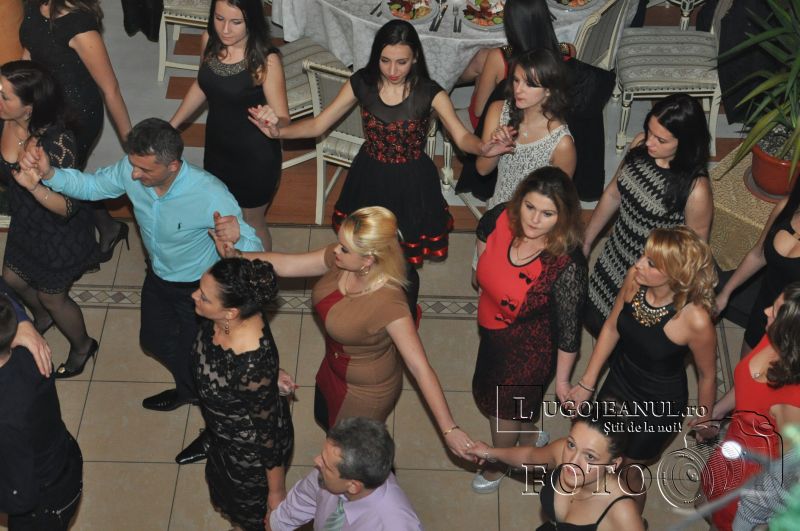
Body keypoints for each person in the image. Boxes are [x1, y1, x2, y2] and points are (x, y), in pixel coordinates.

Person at [18, 118, 263, 423]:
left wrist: (238, 238)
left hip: (198, 289)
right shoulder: (130, 169)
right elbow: (92, 187)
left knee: (200, 354)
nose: (133, 175)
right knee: (153, 340)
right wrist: (50, 174)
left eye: (144, 170)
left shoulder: (210, 194)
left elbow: (256, 250)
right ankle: (190, 388)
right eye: (133, 165)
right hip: (158, 276)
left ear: (172, 166)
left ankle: (209, 406)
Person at [213, 206, 475, 460]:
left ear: (368, 259)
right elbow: (288, 264)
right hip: (333, 366)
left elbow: (420, 368)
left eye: (344, 248)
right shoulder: (343, 260)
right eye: (339, 243)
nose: (336, 250)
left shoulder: (389, 302)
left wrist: (449, 429)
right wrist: (238, 257)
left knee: (350, 451)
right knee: (325, 416)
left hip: (366, 391)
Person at [249, 19, 513, 265]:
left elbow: (462, 137)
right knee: (364, 251)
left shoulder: (430, 93)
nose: (392, 70)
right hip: (370, 174)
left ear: (415, 58)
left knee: (401, 256)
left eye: (402, 62)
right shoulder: (362, 83)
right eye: (385, 61)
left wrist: (483, 147)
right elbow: (319, 124)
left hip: (413, 181)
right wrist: (279, 132)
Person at [569, 226, 718, 511]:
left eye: (651, 263)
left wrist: (704, 417)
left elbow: (707, 374)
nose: (638, 264)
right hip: (620, 380)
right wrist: (587, 383)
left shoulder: (695, 319)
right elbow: (612, 327)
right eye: (643, 255)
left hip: (658, 404)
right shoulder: (634, 279)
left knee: (628, 470)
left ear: (675, 274)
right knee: (603, 451)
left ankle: (633, 522)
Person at [470, 166, 586, 493]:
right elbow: (483, 234)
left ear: (563, 217)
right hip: (494, 334)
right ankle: (531, 434)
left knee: (502, 411)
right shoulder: (500, 217)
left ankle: (497, 464)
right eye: (529, 207)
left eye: (547, 214)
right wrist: (482, 278)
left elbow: (569, 333)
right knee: (494, 395)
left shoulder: (567, 264)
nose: (534, 220)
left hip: (530, 351)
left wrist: (562, 382)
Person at [582, 93, 713, 336]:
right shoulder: (640, 145)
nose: (650, 142)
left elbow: (694, 254)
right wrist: (587, 240)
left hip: (649, 278)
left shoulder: (696, 189)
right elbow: (613, 194)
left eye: (661, 139)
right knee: (596, 319)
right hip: (614, 257)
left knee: (626, 337)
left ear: (685, 142)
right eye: (649, 131)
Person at [1, 60, 100, 379]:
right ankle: (41, 317)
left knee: (52, 296)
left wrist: (35, 186)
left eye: (4, 95)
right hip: (25, 223)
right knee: (13, 279)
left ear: (28, 108)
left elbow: (69, 207)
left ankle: (83, 345)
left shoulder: (57, 143)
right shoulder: (3, 120)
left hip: (58, 231)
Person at [19, 0, 133, 261]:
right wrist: (19, 97)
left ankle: (72, 250)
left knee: (62, 181)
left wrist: (131, 143)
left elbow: (110, 89)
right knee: (63, 179)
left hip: (77, 117)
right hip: (46, 107)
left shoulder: (78, 24)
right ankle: (108, 226)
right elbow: (29, 54)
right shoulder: (33, 5)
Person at [170, 0, 287, 251]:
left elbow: (284, 117)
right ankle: (229, 267)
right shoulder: (209, 41)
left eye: (236, 22)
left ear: (251, 21)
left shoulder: (265, 60)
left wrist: (274, 119)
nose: (225, 30)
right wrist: (173, 124)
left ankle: (262, 272)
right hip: (217, 148)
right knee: (222, 216)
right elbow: (202, 84)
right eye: (219, 18)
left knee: (252, 223)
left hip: (255, 159)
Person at [188, 258, 293, 530]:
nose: (194, 296)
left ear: (231, 312)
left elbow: (269, 438)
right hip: (221, 437)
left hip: (247, 456)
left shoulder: (251, 363)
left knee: (247, 519)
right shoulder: (232, 313)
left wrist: (276, 493)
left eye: (204, 297)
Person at [701, 283, 800, 531]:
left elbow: (785, 475)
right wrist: (718, 412)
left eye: (774, 312)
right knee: (704, 503)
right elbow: (747, 385)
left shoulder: (793, 401)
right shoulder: (773, 338)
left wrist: (756, 519)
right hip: (731, 447)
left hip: (750, 479)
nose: (766, 311)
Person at [465, 402, 645, 531]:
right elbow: (530, 456)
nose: (572, 461)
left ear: (613, 464)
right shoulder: (561, 450)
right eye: (572, 445)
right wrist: (489, 452)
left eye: (590, 456)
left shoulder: (623, 513)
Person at [0, 294, 84, 531]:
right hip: (62, 459)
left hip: (44, 503)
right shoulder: (29, 351)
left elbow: (20, 498)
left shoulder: (5, 418)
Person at [268, 417, 422, 531]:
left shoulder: (396, 526)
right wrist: (276, 524)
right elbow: (304, 497)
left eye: (326, 464)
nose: (317, 461)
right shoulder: (328, 471)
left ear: (354, 486)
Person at [477, 49, 576, 210]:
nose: (518, 90)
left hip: (534, 220)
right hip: (498, 210)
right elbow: (482, 170)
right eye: (516, 80)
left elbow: (558, 201)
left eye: (529, 84)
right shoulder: (498, 110)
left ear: (549, 90)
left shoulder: (561, 143)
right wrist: (495, 149)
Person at [715, 179, 800, 360]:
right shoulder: (787, 207)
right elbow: (758, 255)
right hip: (764, 311)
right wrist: (725, 293)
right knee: (744, 370)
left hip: (793, 330)